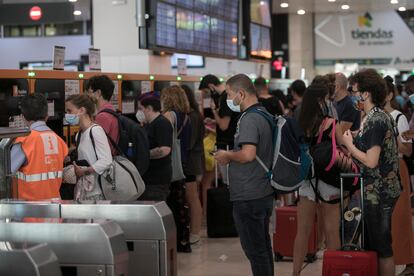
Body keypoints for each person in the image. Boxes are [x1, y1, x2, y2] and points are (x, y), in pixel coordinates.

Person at [214, 74, 274, 276]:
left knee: (256, 252)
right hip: (262, 191)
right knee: (263, 249)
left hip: (250, 195)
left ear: (241, 93)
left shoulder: (249, 118)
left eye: (229, 95)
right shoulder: (264, 113)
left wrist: (227, 155)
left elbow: (248, 154)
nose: (229, 100)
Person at [342, 70, 400, 276]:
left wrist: (350, 144)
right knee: (376, 243)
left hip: (379, 191)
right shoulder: (377, 116)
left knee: (382, 246)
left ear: (365, 93)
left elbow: (371, 160)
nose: (352, 95)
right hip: (379, 189)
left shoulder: (376, 120)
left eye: (354, 90)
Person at [292, 85, 343, 276]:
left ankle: (295, 272)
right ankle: (334, 272)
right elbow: (342, 146)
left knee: (302, 231)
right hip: (328, 179)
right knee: (331, 230)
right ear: (321, 101)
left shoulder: (299, 122)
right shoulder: (330, 123)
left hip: (306, 180)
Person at [10, 94, 68, 201]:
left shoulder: (24, 141)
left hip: (29, 210)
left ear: (23, 117)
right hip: (54, 207)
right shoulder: (59, 141)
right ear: (47, 115)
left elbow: (6, 172)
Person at [383, 76, 414, 275]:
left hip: (397, 169)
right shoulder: (370, 115)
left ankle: (407, 261)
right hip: (378, 170)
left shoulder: (398, 117)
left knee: (399, 217)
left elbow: (407, 150)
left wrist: (392, 137)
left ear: (388, 94)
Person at [161, 85, 192, 252]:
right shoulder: (186, 116)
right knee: (181, 204)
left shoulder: (169, 115)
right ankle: (183, 240)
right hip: (183, 162)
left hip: (172, 164)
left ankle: (175, 241)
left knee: (171, 204)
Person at [65, 94, 113, 200]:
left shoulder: (95, 131)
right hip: (84, 190)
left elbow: (106, 160)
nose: (67, 115)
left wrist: (84, 171)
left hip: (97, 192)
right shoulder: (80, 134)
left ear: (82, 110)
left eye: (69, 111)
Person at [199, 74, 239, 184]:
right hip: (230, 145)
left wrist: (214, 111)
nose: (208, 95)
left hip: (227, 147)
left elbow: (223, 126)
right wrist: (213, 121)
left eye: (207, 92)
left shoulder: (226, 98)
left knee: (228, 183)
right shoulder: (226, 96)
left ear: (211, 86)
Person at [136, 95, 172, 201]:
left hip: (157, 180)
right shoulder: (148, 124)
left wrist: (143, 155)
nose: (138, 112)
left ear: (149, 108)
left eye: (140, 109)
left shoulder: (162, 123)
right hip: (148, 179)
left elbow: (164, 150)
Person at [181, 84, 204, 245]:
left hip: (191, 163)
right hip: (192, 161)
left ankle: (195, 232)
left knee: (192, 197)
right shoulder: (192, 115)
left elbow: (189, 142)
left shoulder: (193, 116)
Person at [86, 75, 119, 155]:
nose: (88, 96)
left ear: (98, 93)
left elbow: (96, 144)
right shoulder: (111, 110)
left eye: (90, 92)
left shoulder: (103, 116)